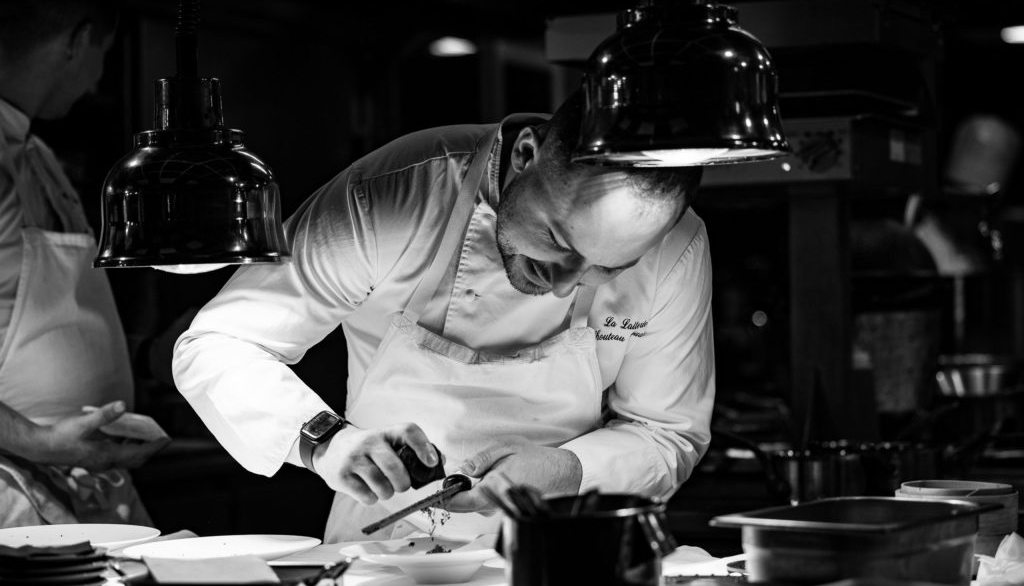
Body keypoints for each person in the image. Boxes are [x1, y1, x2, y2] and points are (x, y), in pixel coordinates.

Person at [173, 90, 714, 542]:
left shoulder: (678, 247)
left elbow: (668, 432)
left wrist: (568, 471)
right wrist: (325, 440)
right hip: (383, 555)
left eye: (606, 267)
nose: (564, 284)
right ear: (526, 155)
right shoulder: (391, 195)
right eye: (556, 239)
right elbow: (220, 343)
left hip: (566, 553)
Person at [0, 0, 167, 527]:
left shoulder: (36, 155)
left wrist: (147, 356)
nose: (98, 79)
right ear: (78, 42)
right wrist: (42, 440)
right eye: (105, 53)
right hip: (15, 487)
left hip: (77, 483)